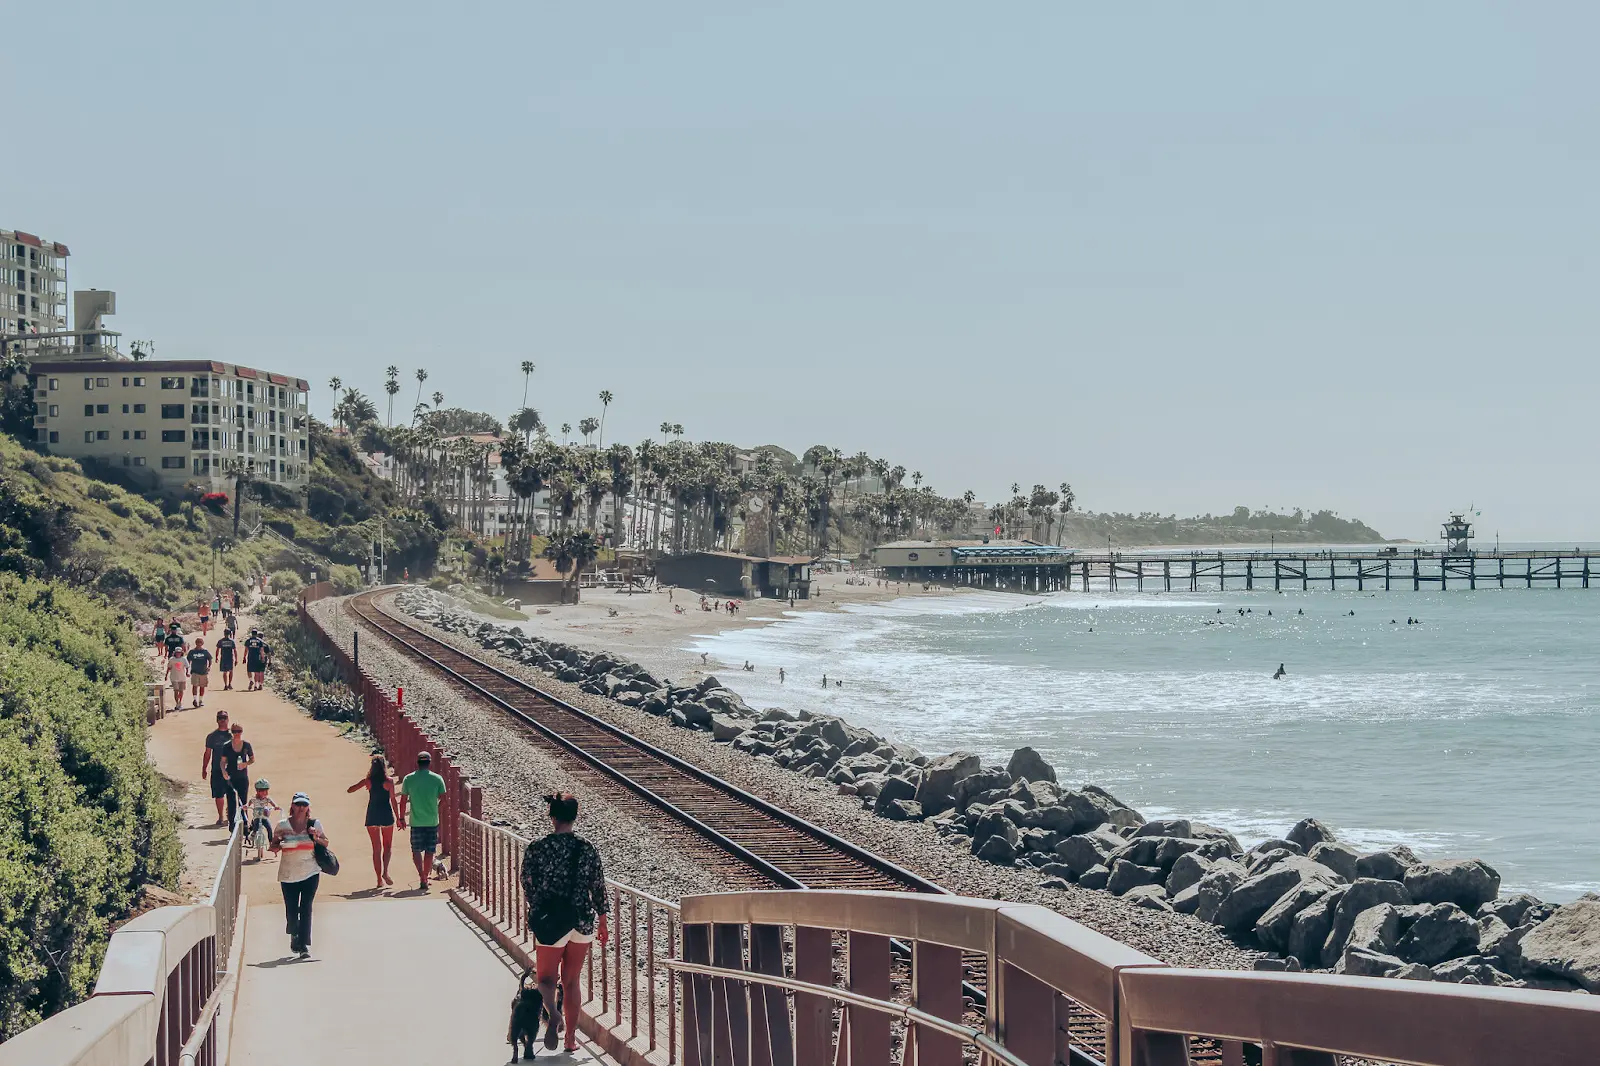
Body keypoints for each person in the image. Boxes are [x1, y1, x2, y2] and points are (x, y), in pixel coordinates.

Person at [520, 793, 609, 1054]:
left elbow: (527, 881)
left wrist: (537, 906)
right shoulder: (587, 847)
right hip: (580, 920)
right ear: (574, 816)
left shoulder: (538, 847)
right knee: (571, 981)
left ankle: (553, 1014)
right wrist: (603, 920)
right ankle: (570, 1038)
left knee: (546, 978)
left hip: (549, 922)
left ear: (553, 817)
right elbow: (598, 886)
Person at [271, 793, 328, 959]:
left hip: (310, 872)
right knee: (291, 909)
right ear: (293, 806)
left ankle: (303, 945)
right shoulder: (282, 825)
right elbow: (274, 844)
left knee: (306, 908)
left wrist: (316, 837)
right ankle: (294, 934)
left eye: (304, 804)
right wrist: (276, 845)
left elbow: (326, 842)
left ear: (308, 807)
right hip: (288, 874)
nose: (301, 807)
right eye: (298, 804)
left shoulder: (314, 823)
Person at [398, 751, 448, 890]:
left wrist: (401, 818)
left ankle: (422, 876)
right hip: (432, 821)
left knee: (416, 850)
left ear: (418, 763)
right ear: (429, 763)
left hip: (415, 821)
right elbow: (444, 800)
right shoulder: (437, 779)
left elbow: (402, 801)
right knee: (430, 851)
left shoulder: (409, 779)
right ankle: (426, 877)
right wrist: (436, 809)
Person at [348, 755, 398, 888]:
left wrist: (361, 784)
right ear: (384, 766)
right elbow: (393, 799)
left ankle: (378, 880)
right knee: (387, 846)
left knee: (376, 848)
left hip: (372, 815)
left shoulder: (368, 781)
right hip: (386, 814)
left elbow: (350, 790)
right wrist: (399, 817)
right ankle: (385, 873)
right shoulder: (389, 781)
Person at [201, 710, 234, 825]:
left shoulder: (233, 735)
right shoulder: (211, 736)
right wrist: (204, 768)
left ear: (228, 719)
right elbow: (207, 753)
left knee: (231, 794)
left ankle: (231, 815)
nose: (222, 720)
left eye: (224, 718)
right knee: (219, 795)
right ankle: (221, 817)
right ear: (217, 720)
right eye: (220, 718)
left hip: (231, 769)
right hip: (216, 769)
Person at [221, 722, 255, 826]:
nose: (237, 734)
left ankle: (245, 825)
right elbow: (222, 761)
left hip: (242, 777)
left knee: (243, 802)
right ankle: (232, 825)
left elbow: (252, 759)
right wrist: (223, 771)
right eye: (234, 731)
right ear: (231, 732)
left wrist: (246, 764)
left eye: (239, 731)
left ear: (242, 732)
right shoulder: (226, 746)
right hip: (230, 778)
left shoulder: (246, 745)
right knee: (231, 802)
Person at [246, 778, 281, 860]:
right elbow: (248, 803)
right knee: (256, 825)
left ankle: (271, 843)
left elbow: (273, 803)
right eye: (263, 791)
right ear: (258, 791)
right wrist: (246, 806)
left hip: (264, 817)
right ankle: (254, 833)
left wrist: (276, 806)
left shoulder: (267, 799)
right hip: (257, 817)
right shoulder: (253, 799)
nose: (266, 793)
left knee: (269, 828)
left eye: (267, 791)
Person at [186, 636, 213, 708]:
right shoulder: (192, 652)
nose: (199, 644)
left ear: (202, 643)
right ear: (196, 643)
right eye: (198, 642)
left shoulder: (205, 652)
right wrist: (187, 670)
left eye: (200, 642)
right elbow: (188, 661)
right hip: (194, 671)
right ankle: (195, 700)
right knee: (195, 686)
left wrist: (209, 666)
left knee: (202, 686)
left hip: (203, 672)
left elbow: (210, 659)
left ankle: (200, 700)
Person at [165, 647, 190, 712]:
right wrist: (166, 675)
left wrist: (187, 673)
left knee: (181, 691)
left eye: (179, 652)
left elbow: (187, 666)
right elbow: (169, 667)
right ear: (175, 653)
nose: (178, 653)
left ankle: (180, 702)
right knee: (176, 691)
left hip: (182, 677)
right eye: (177, 652)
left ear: (181, 652)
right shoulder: (172, 659)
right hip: (174, 677)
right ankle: (177, 703)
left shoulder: (184, 659)